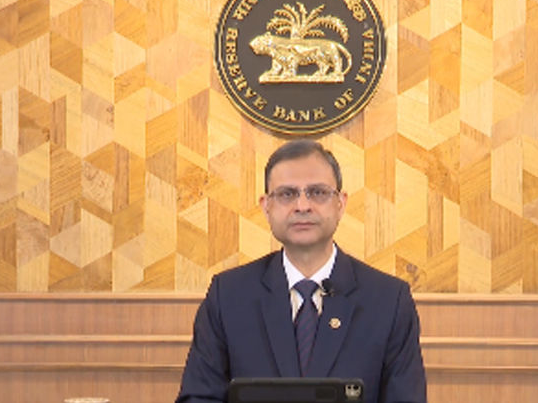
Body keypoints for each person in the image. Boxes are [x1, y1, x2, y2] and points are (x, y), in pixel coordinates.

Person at [175, 140, 427, 403]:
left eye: (318, 192)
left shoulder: (388, 300)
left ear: (340, 204)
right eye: (287, 194)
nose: (303, 206)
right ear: (266, 206)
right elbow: (198, 397)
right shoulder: (228, 295)